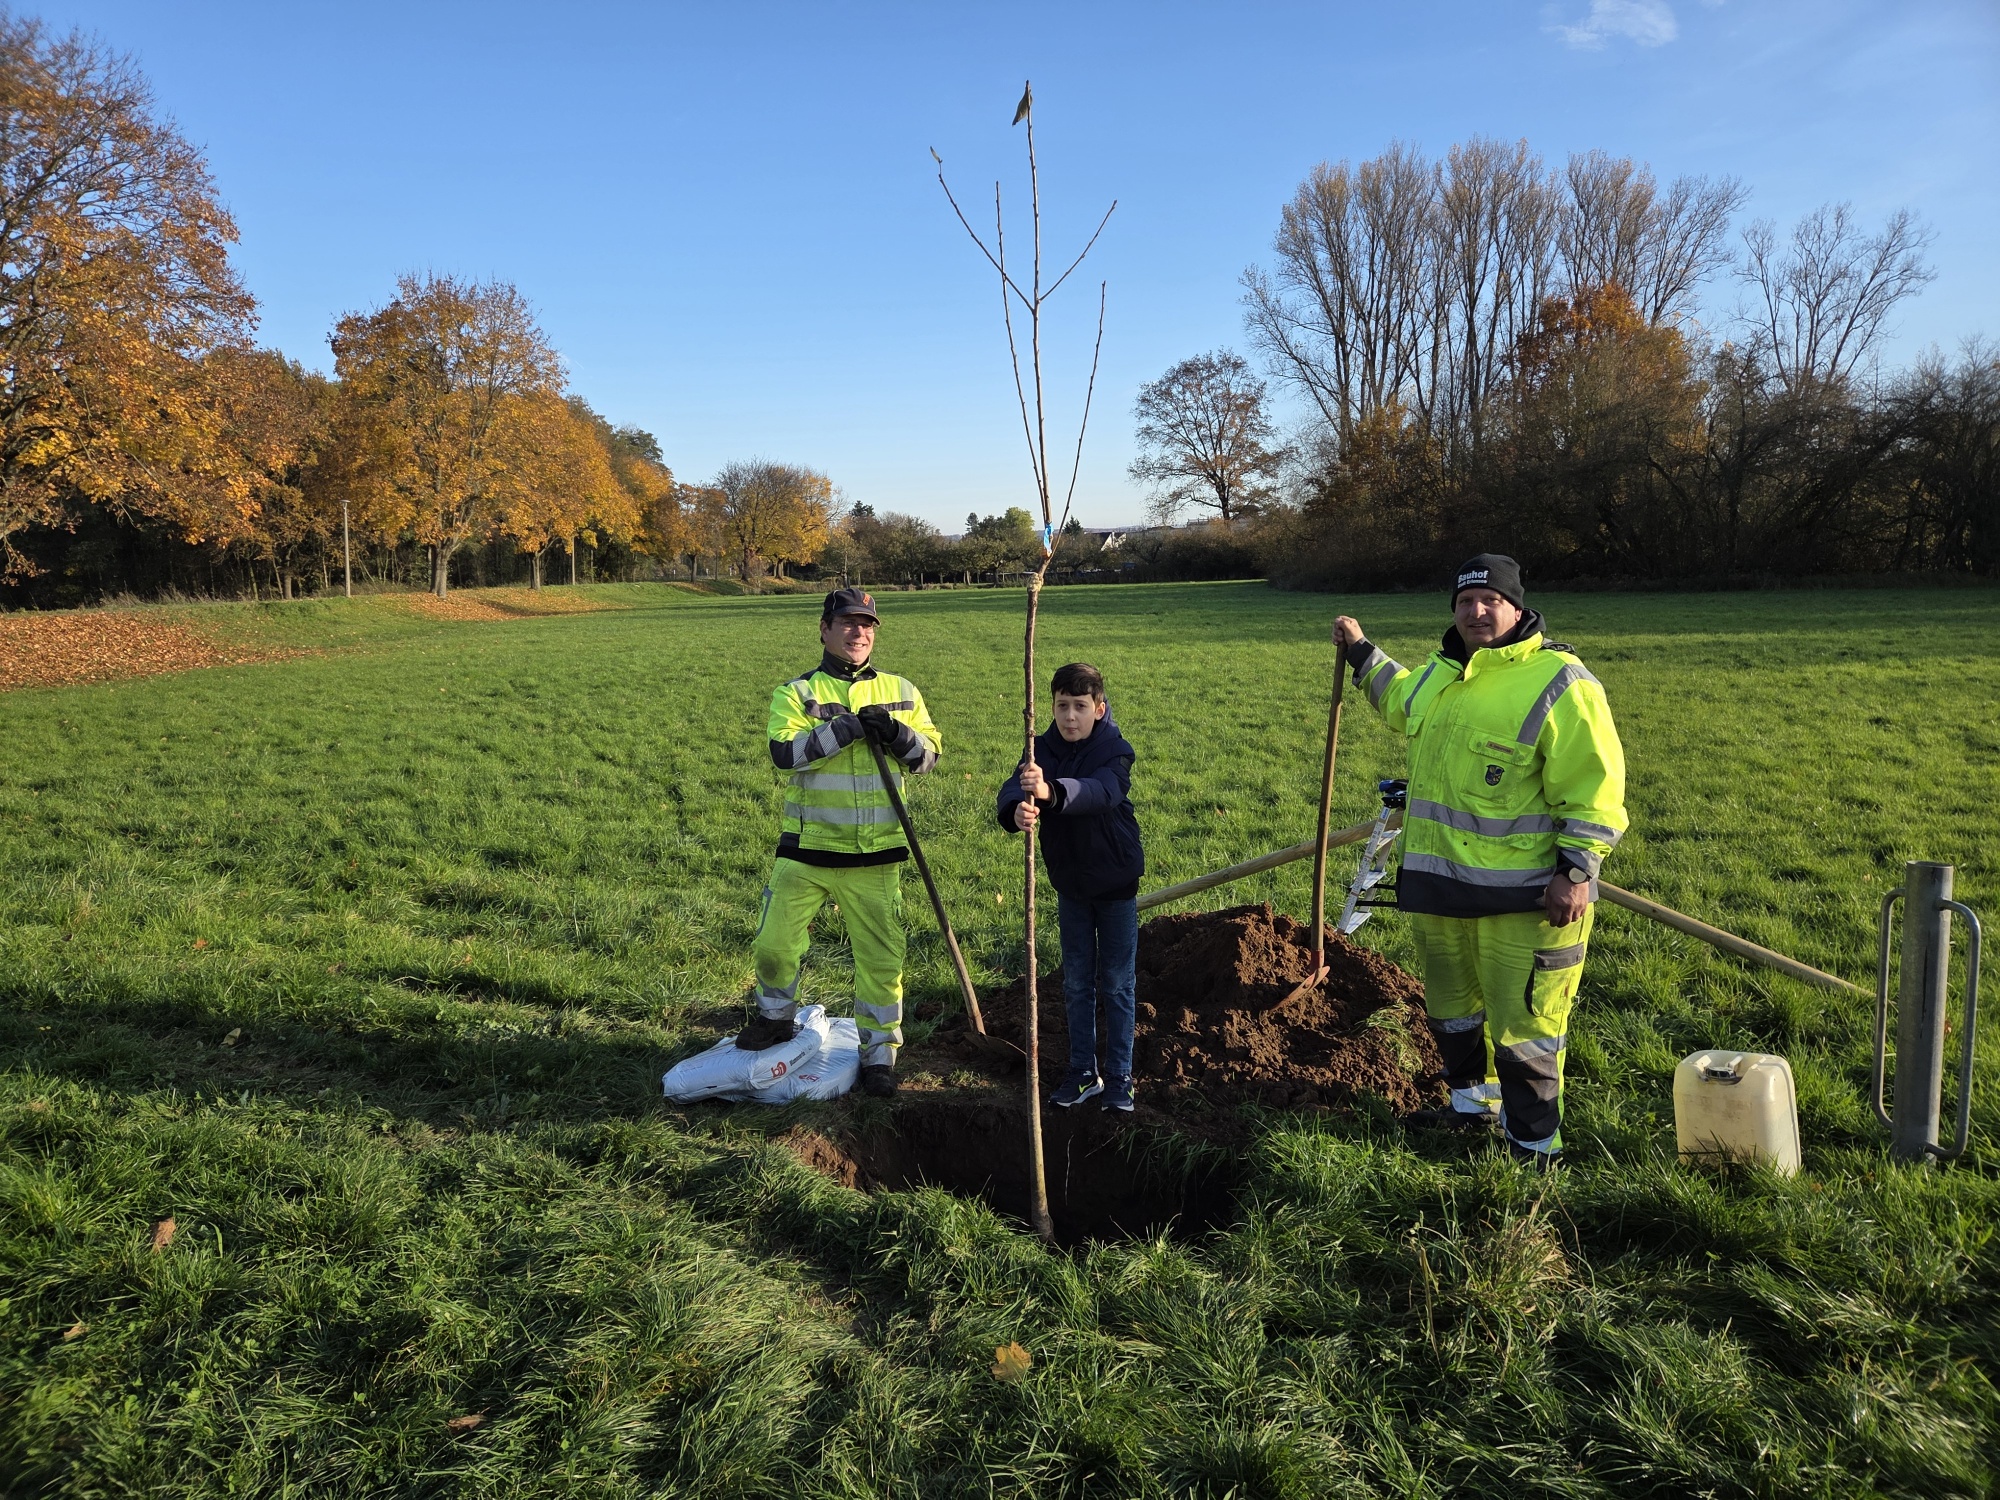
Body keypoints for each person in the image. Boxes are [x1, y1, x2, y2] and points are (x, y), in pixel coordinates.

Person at [1332, 554, 1626, 1168]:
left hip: (1525, 900)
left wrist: (1576, 871)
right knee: (1452, 1012)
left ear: (1517, 607)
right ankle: (1470, 1109)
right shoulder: (1442, 675)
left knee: (1527, 1031)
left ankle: (1535, 1151)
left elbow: (1596, 787)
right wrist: (1361, 651)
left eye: (1491, 600)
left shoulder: (1560, 682)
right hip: (1440, 892)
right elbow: (1397, 698)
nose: (1477, 611)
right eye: (1466, 602)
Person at [739, 587, 942, 1098]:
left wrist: (896, 735)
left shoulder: (902, 690)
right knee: (773, 944)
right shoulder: (796, 692)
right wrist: (846, 730)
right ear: (825, 629)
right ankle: (775, 1018)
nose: (860, 632)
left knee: (880, 960)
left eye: (868, 624)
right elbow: (786, 754)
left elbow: (927, 758)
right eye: (848, 623)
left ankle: (878, 1056)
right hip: (806, 850)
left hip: (877, 855)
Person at [997, 662, 1145, 1113]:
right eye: (1063, 706)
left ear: (1099, 709)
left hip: (1116, 884)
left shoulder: (1115, 750)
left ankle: (1119, 1076)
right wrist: (1014, 812)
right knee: (1077, 983)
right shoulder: (1039, 748)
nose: (1070, 717)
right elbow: (1011, 788)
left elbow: (1101, 792)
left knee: (1117, 985)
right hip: (1070, 885)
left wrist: (1051, 792)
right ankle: (1084, 1073)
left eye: (1081, 707)